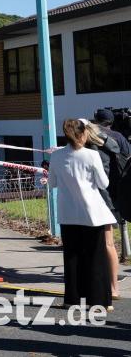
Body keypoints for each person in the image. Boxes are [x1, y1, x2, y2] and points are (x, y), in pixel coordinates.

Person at [48, 119, 115, 310]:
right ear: (83, 134)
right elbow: (104, 184)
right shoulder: (92, 155)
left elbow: (52, 183)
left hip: (68, 212)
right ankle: (100, 301)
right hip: (92, 213)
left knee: (72, 258)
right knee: (96, 258)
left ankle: (72, 299)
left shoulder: (56, 156)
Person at [85, 121, 122, 300]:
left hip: (97, 201)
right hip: (111, 201)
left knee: (97, 244)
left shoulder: (89, 152)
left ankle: (103, 286)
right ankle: (113, 287)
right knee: (109, 245)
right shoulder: (109, 144)